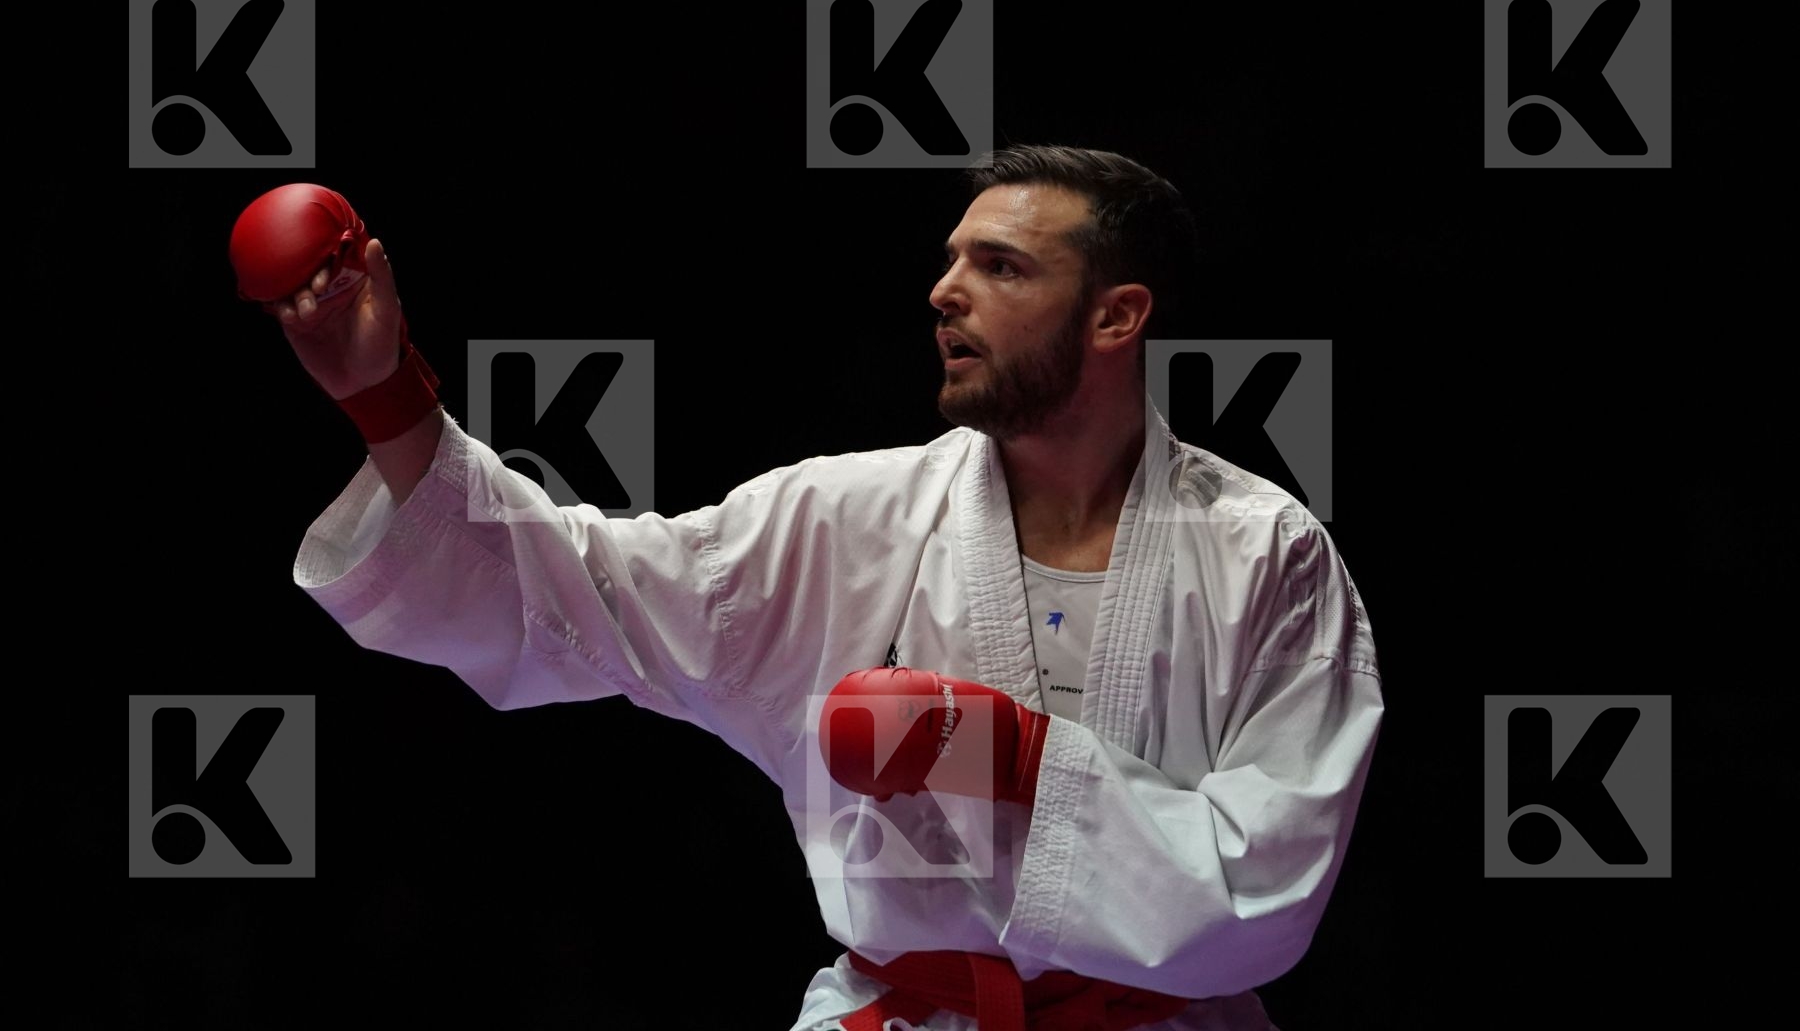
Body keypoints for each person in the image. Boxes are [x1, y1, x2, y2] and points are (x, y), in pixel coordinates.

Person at [262, 146, 1383, 1030]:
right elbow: (585, 591)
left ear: (1117, 316)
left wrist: (1007, 756)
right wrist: (389, 401)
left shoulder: (1264, 553)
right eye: (950, 259)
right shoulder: (843, 521)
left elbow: (1270, 889)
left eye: (1000, 266)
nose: (945, 292)